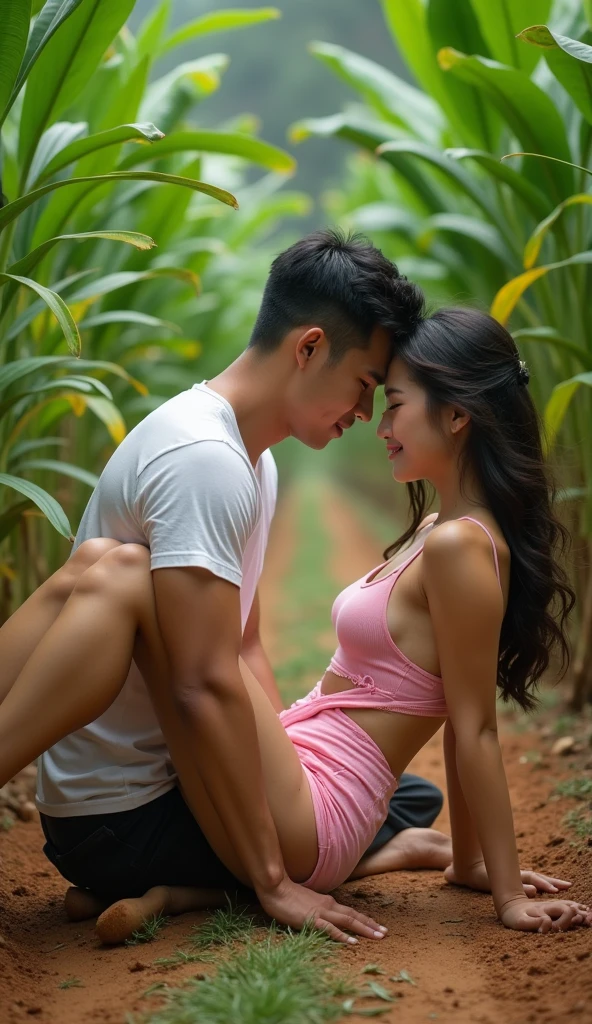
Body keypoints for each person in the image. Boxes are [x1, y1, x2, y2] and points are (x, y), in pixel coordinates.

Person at [2, 301, 590, 944]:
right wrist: (465, 859)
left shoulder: (461, 549)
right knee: (100, 560)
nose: (377, 422)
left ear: (455, 416)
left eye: (393, 403)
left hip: (320, 813)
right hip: (307, 772)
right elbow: (457, 716)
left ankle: (224, 879)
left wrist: (500, 889)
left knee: (131, 578)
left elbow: (472, 723)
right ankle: (206, 884)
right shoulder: (435, 533)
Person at [0, 231, 448, 944]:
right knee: (353, 824)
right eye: (364, 385)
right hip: (125, 815)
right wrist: (272, 879)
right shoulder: (206, 461)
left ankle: (188, 886)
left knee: (408, 795)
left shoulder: (247, 457)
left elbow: (243, 645)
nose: (364, 416)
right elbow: (200, 688)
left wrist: (289, 773)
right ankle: (199, 882)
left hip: (153, 787)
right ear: (307, 348)